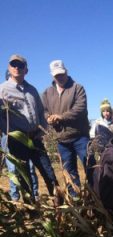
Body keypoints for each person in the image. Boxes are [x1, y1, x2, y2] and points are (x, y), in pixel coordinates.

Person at [0, 54, 61, 204]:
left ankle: (60, 206)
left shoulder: (32, 90)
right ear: (9, 68)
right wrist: (7, 134)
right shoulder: (2, 90)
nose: (16, 68)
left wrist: (41, 129)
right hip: (17, 140)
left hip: (35, 138)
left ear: (26, 70)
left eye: (20, 65)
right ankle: (31, 210)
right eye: (13, 65)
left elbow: (41, 112)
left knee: (49, 173)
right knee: (24, 177)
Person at [42, 60, 92, 198]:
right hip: (62, 140)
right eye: (56, 75)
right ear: (52, 76)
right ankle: (76, 199)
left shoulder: (77, 88)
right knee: (69, 172)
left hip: (80, 137)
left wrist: (61, 117)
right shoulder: (47, 93)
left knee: (90, 167)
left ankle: (96, 197)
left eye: (61, 74)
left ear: (66, 72)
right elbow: (44, 111)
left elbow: (80, 109)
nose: (60, 77)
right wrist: (48, 118)